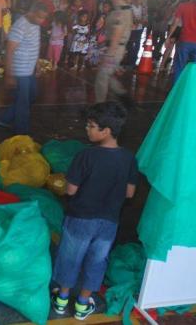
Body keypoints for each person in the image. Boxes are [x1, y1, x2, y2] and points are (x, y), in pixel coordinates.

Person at [51, 102, 137, 321]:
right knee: (97, 261)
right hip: (108, 222)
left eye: (91, 126)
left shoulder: (85, 156)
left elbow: (71, 189)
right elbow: (129, 193)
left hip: (80, 219)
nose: (86, 130)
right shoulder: (129, 159)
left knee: (70, 257)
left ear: (106, 131)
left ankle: (61, 300)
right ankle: (82, 305)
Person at [0, 2, 49, 135]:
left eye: (44, 18)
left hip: (29, 69)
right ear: (32, 13)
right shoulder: (20, 26)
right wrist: (9, 74)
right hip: (19, 71)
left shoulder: (35, 25)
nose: (42, 21)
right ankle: (22, 133)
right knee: (23, 103)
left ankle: (3, 118)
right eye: (40, 17)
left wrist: (37, 64)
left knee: (32, 96)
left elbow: (35, 45)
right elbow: (9, 51)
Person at [95, 0, 133, 104]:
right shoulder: (123, 10)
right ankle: (123, 95)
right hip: (116, 48)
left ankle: (99, 106)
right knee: (107, 75)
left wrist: (110, 54)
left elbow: (117, 33)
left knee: (102, 77)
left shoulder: (120, 13)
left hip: (114, 49)